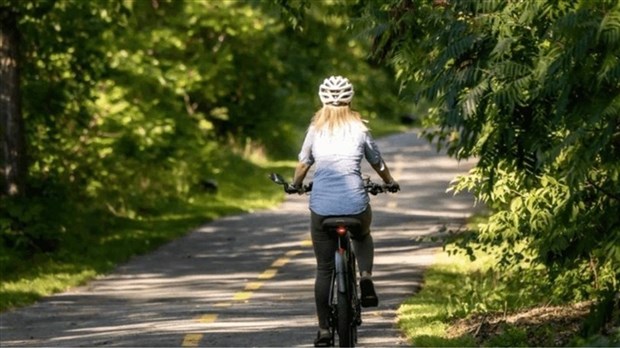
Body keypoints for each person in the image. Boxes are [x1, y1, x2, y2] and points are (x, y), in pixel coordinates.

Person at [285, 76, 400, 346]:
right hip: (355, 204)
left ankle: (324, 331)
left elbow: (303, 164)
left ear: (322, 100)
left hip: (322, 208)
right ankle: (366, 277)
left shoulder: (315, 129)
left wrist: (295, 185)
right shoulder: (359, 129)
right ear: (350, 99)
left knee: (324, 269)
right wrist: (389, 182)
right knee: (362, 235)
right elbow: (378, 162)